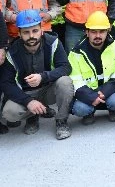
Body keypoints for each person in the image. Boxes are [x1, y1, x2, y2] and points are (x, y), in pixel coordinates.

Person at [0, 10, 74, 139]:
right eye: (26, 32)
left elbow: (66, 67)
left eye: (35, 31)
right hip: (26, 93)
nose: (31, 36)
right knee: (9, 113)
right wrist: (28, 101)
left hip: (49, 90)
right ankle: (33, 116)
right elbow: (7, 83)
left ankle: (61, 121)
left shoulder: (53, 42)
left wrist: (43, 77)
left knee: (65, 82)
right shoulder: (12, 52)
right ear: (19, 34)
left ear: (41, 30)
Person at [68, 11, 115, 124]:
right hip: (88, 93)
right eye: (94, 32)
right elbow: (75, 80)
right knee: (80, 108)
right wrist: (90, 96)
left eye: (102, 31)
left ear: (107, 31)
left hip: (110, 91)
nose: (98, 36)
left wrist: (105, 91)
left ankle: (113, 110)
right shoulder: (76, 52)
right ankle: (88, 113)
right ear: (87, 32)